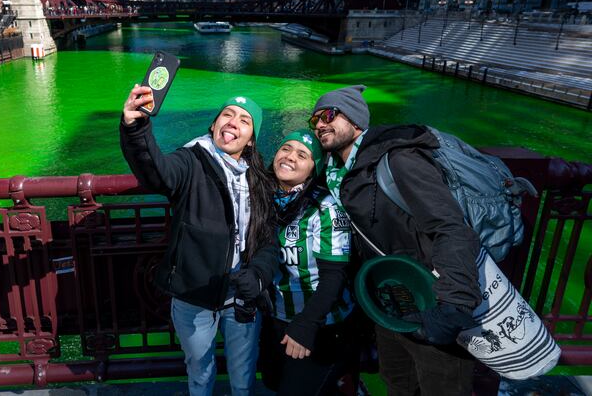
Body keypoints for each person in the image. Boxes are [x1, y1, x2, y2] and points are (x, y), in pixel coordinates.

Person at [309, 85, 481, 396]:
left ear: (356, 119)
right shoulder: (336, 173)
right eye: (315, 120)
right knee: (397, 385)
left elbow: (452, 227)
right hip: (390, 307)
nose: (320, 123)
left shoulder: (397, 159)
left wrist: (452, 306)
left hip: (433, 304)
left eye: (329, 114)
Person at [120, 85, 276, 396]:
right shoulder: (191, 161)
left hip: (242, 295)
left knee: (243, 376)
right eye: (227, 115)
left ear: (251, 139)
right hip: (194, 294)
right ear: (213, 125)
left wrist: (257, 275)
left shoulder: (258, 178)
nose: (233, 122)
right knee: (200, 371)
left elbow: (267, 238)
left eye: (244, 120)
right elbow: (157, 173)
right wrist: (136, 126)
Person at [259, 129, 357, 395]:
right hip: (274, 316)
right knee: (272, 382)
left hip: (320, 323)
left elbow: (334, 277)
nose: (290, 157)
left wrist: (306, 324)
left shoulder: (324, 208)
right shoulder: (263, 197)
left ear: (314, 170)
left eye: (302, 155)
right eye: (285, 149)